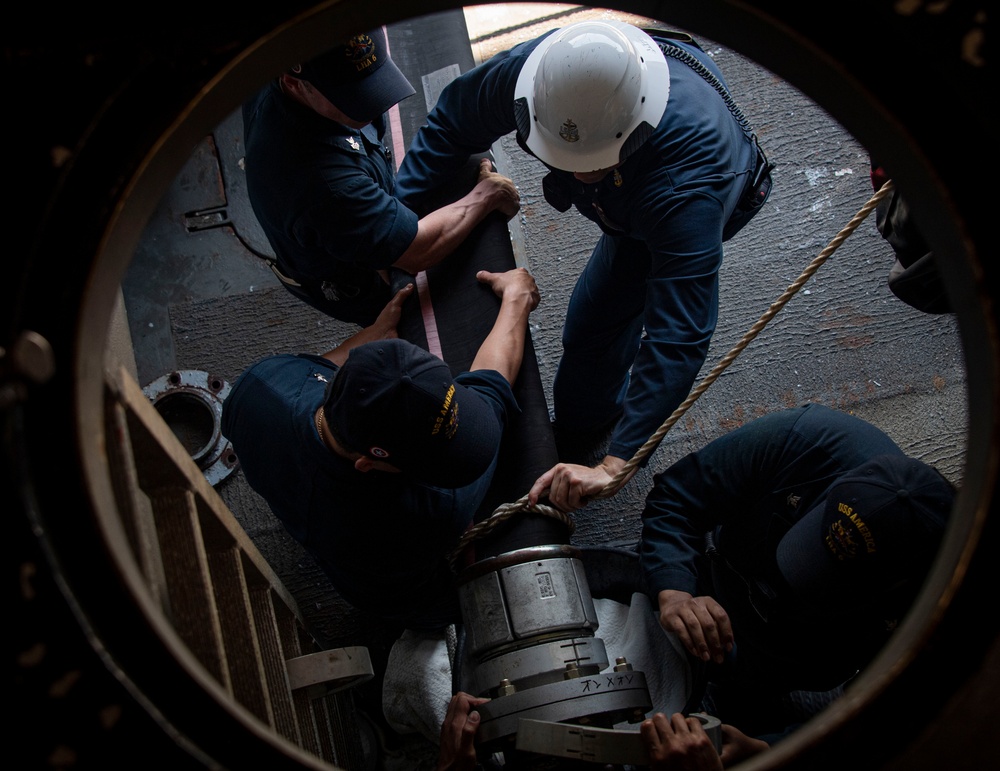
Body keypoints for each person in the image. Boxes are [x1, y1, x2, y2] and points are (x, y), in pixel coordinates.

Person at [393, 20, 773, 512]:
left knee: (598, 317)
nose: (570, 169)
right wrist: (395, 229)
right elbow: (453, 120)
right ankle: (583, 421)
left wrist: (616, 463)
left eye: (586, 161)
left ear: (631, 137)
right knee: (594, 325)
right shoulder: (543, 74)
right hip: (635, 177)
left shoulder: (684, 193)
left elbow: (679, 335)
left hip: (667, 193)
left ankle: (583, 433)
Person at [221, 267, 540, 630]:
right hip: (389, 585)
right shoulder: (429, 509)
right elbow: (491, 386)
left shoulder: (258, 386)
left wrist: (374, 332)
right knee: (455, 613)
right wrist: (516, 300)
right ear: (367, 463)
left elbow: (319, 366)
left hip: (297, 497)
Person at [638, 403, 956, 738]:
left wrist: (769, 748)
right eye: (814, 548)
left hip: (790, 665)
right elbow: (675, 499)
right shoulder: (804, 441)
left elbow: (882, 718)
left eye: (836, 582)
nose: (799, 581)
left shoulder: (938, 611)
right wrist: (674, 589)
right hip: (712, 579)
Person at [241, 26, 521, 326]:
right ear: (294, 84)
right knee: (399, 320)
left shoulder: (283, 53)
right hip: (353, 276)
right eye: (350, 95)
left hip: (340, 203)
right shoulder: (321, 183)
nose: (374, 104)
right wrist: (486, 195)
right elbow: (416, 250)